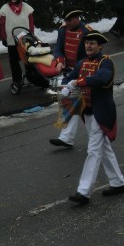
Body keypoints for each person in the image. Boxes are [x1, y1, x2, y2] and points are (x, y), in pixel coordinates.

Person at [63, 32, 124, 204]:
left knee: (93, 150)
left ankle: (84, 191)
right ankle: (118, 182)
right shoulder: (81, 63)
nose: (89, 46)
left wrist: (77, 82)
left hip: (102, 111)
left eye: (92, 43)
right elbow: (69, 77)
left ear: (100, 46)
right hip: (88, 112)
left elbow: (102, 78)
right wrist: (60, 81)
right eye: (87, 43)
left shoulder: (105, 62)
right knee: (104, 148)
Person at [49, 9, 93, 149]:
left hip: (84, 70)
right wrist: (60, 60)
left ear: (76, 18)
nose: (66, 23)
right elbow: (58, 49)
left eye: (69, 20)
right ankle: (66, 138)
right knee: (70, 103)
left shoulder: (87, 31)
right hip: (70, 72)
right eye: (65, 20)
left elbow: (94, 51)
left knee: (87, 106)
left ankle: (96, 136)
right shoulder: (63, 30)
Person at [0, 0, 35, 94]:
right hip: (11, 39)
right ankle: (17, 81)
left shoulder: (26, 7)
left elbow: (31, 21)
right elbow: (2, 24)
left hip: (25, 38)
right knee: (14, 62)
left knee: (29, 60)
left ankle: (32, 78)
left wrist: (32, 33)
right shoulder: (4, 8)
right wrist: (3, 37)